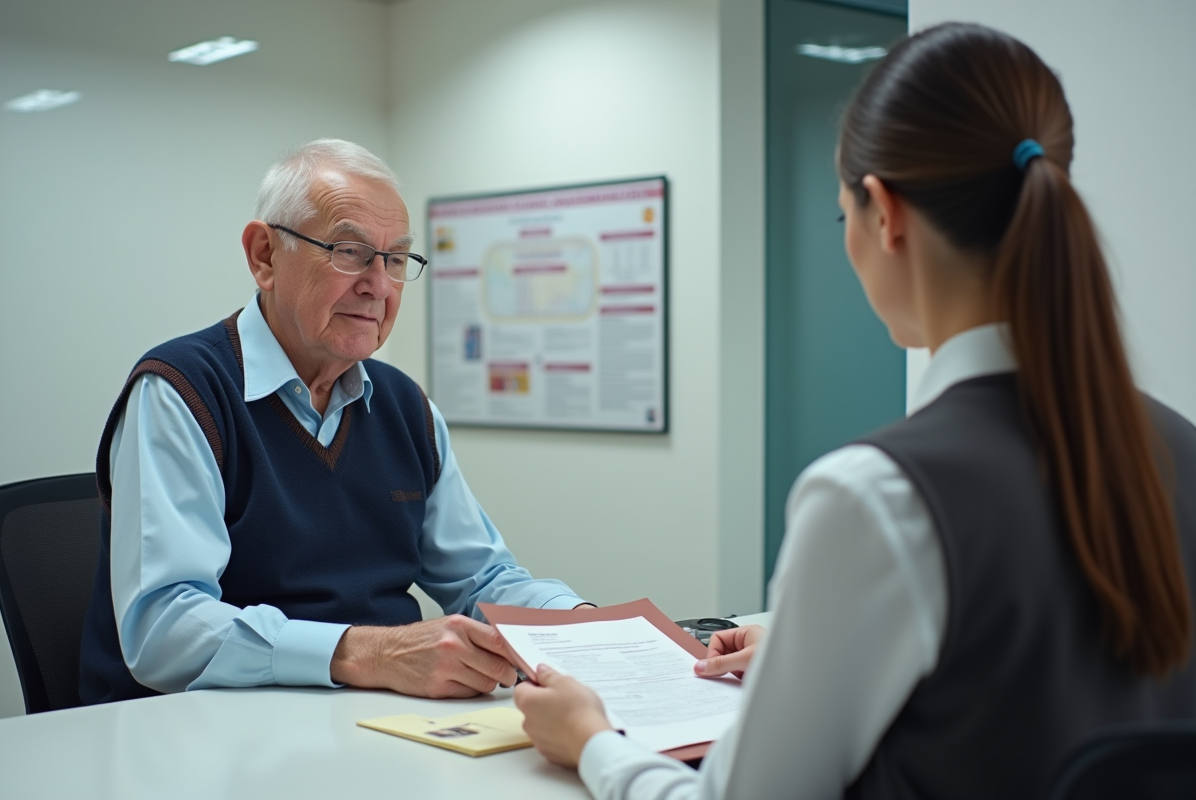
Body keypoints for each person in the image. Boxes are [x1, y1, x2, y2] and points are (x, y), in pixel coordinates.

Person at [513, 22, 1196, 799]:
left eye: (844, 215)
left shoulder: (878, 493)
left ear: (883, 211)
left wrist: (591, 740)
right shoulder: (1181, 447)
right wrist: (818, 651)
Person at [79, 139, 592, 705]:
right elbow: (163, 629)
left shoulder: (404, 406)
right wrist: (370, 654)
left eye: (396, 259)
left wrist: (583, 625)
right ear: (265, 256)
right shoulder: (181, 391)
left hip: (371, 725)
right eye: (349, 251)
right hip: (201, 741)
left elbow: (483, 580)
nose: (378, 285)